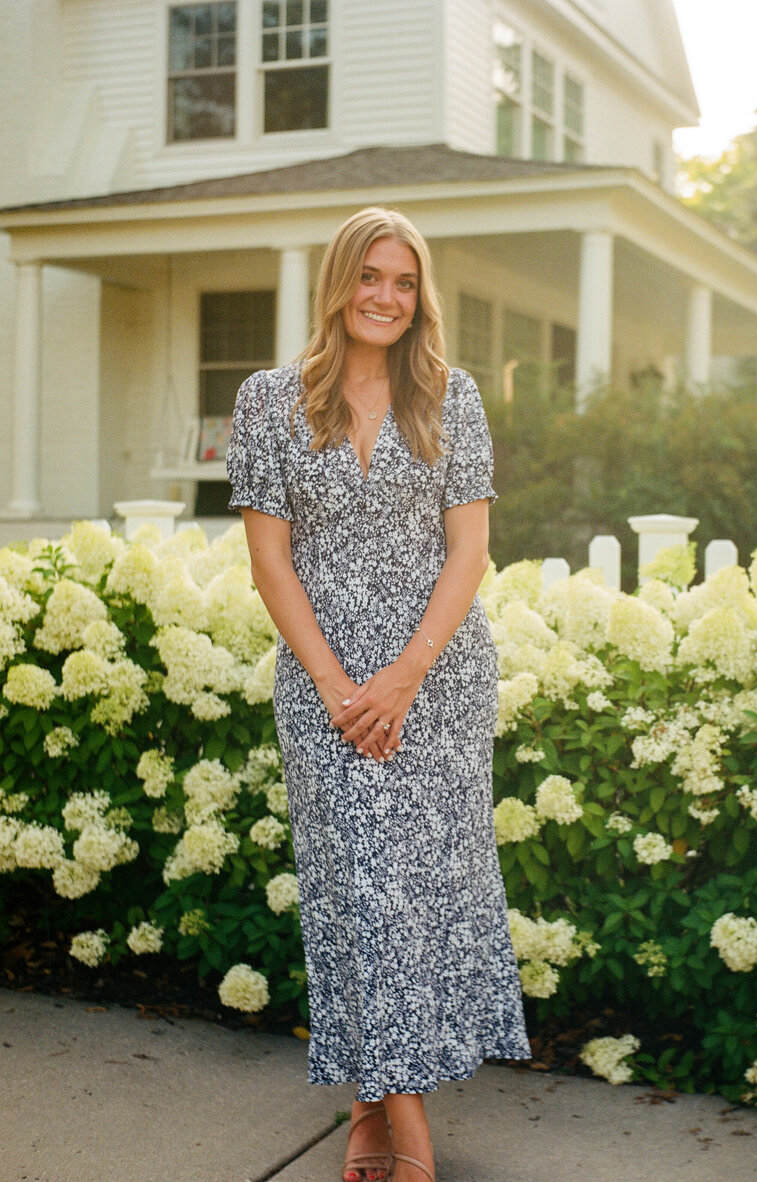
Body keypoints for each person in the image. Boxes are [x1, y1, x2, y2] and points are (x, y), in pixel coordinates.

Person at [226, 207, 532, 1182]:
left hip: (434, 681)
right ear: (339, 284)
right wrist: (339, 686)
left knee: (415, 901)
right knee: (356, 896)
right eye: (372, 278)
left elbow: (470, 548)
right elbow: (269, 559)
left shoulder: (453, 395)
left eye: (404, 282)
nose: (387, 298)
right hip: (325, 681)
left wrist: (401, 679)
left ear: (420, 295)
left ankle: (377, 1116)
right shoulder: (269, 400)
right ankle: (409, 1135)